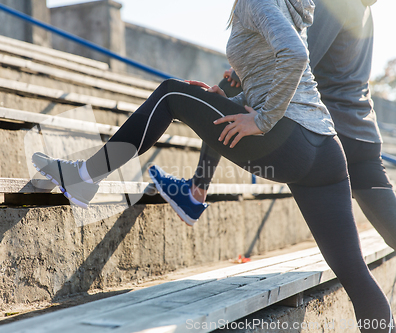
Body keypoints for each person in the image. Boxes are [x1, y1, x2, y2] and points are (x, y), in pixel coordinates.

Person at [32, 0, 394, 329]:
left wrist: (262, 120)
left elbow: (297, 56)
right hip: (325, 149)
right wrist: (232, 100)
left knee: (170, 93)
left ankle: (84, 177)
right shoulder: (290, 4)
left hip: (290, 137)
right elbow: (272, 71)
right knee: (355, 274)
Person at [167, 0, 396, 254]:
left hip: (326, 134)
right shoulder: (363, 8)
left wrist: (244, 74)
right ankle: (196, 191)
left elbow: (301, 57)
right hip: (361, 136)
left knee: (228, 89)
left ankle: (196, 191)